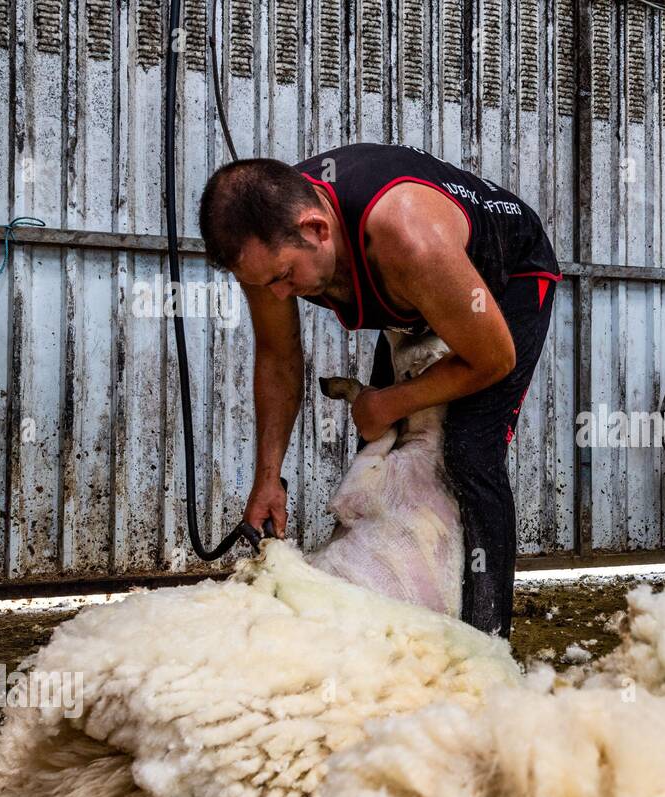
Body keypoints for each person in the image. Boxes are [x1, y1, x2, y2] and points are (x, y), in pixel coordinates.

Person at [197, 143, 560, 640]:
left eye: (284, 277)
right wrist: (268, 478)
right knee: (382, 450)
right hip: (416, 290)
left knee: (469, 452)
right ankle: (389, 613)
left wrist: (388, 400)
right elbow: (278, 359)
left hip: (505, 278)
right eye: (263, 284)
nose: (279, 294)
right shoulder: (266, 246)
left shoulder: (407, 237)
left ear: (316, 230)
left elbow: (493, 359)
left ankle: (487, 640)